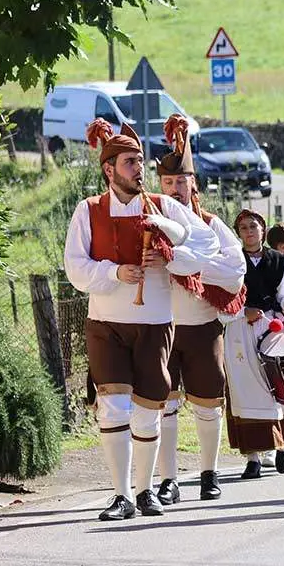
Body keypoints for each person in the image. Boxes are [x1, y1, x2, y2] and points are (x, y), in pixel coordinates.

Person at [64, 119, 219, 521]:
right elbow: (75, 268)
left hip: (155, 323)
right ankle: (121, 496)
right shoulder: (88, 210)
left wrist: (170, 255)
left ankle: (146, 490)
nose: (139, 169)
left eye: (140, 161)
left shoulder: (165, 207)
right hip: (106, 323)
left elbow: (207, 244)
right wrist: (116, 272)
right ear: (109, 169)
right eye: (130, 162)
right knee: (113, 408)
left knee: (148, 410)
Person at [154, 115, 247, 505]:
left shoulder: (211, 223)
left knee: (209, 405)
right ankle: (168, 480)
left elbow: (236, 270)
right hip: (160, 327)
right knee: (164, 406)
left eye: (181, 181)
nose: (175, 189)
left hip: (202, 325)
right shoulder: (152, 224)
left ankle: (209, 473)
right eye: (168, 183)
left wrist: (186, 263)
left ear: (193, 183)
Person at [224, 209, 284, 479]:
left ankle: (282, 444)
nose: (249, 231)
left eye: (253, 226)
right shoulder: (231, 261)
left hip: (272, 327)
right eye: (243, 228)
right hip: (240, 330)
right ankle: (252, 457)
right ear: (238, 233)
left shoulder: (279, 260)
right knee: (245, 391)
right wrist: (243, 312)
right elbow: (221, 300)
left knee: (278, 387)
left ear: (263, 230)